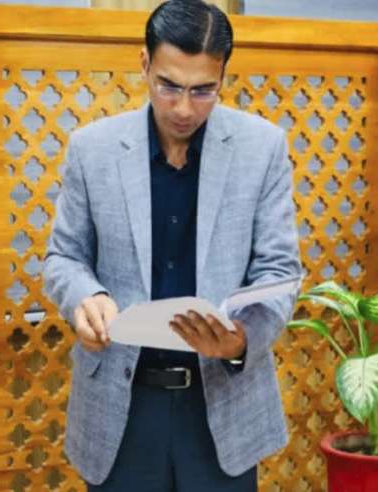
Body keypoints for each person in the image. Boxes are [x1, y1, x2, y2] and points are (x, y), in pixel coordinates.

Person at [42, 0, 302, 490]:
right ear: (144, 64)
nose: (184, 108)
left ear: (223, 76)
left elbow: (279, 269)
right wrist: (85, 298)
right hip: (121, 407)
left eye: (203, 90)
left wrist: (241, 339)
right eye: (169, 86)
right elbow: (64, 257)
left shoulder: (262, 148)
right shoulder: (92, 149)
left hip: (223, 406)